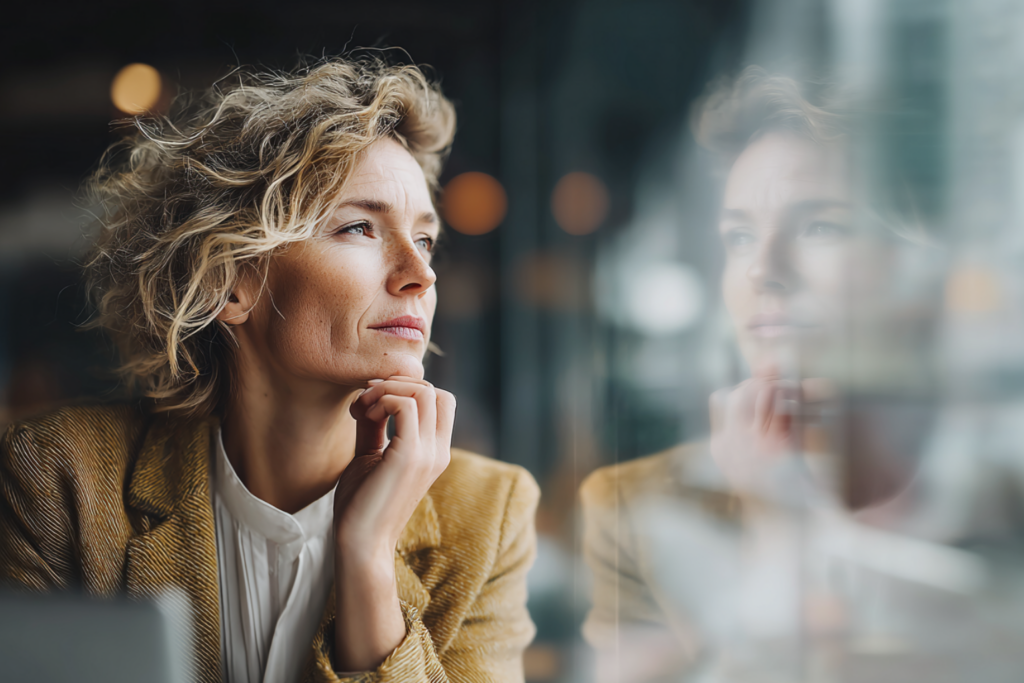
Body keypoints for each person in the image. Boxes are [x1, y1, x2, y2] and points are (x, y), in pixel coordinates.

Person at [0, 56, 538, 683]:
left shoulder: (490, 514)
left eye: (424, 239)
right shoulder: (60, 479)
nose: (421, 274)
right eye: (359, 227)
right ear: (227, 283)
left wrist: (368, 557)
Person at [581, 67, 1024, 682]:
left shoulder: (999, 489)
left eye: (821, 227)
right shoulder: (642, 508)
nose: (763, 269)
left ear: (921, 262)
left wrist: (787, 536)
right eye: (739, 236)